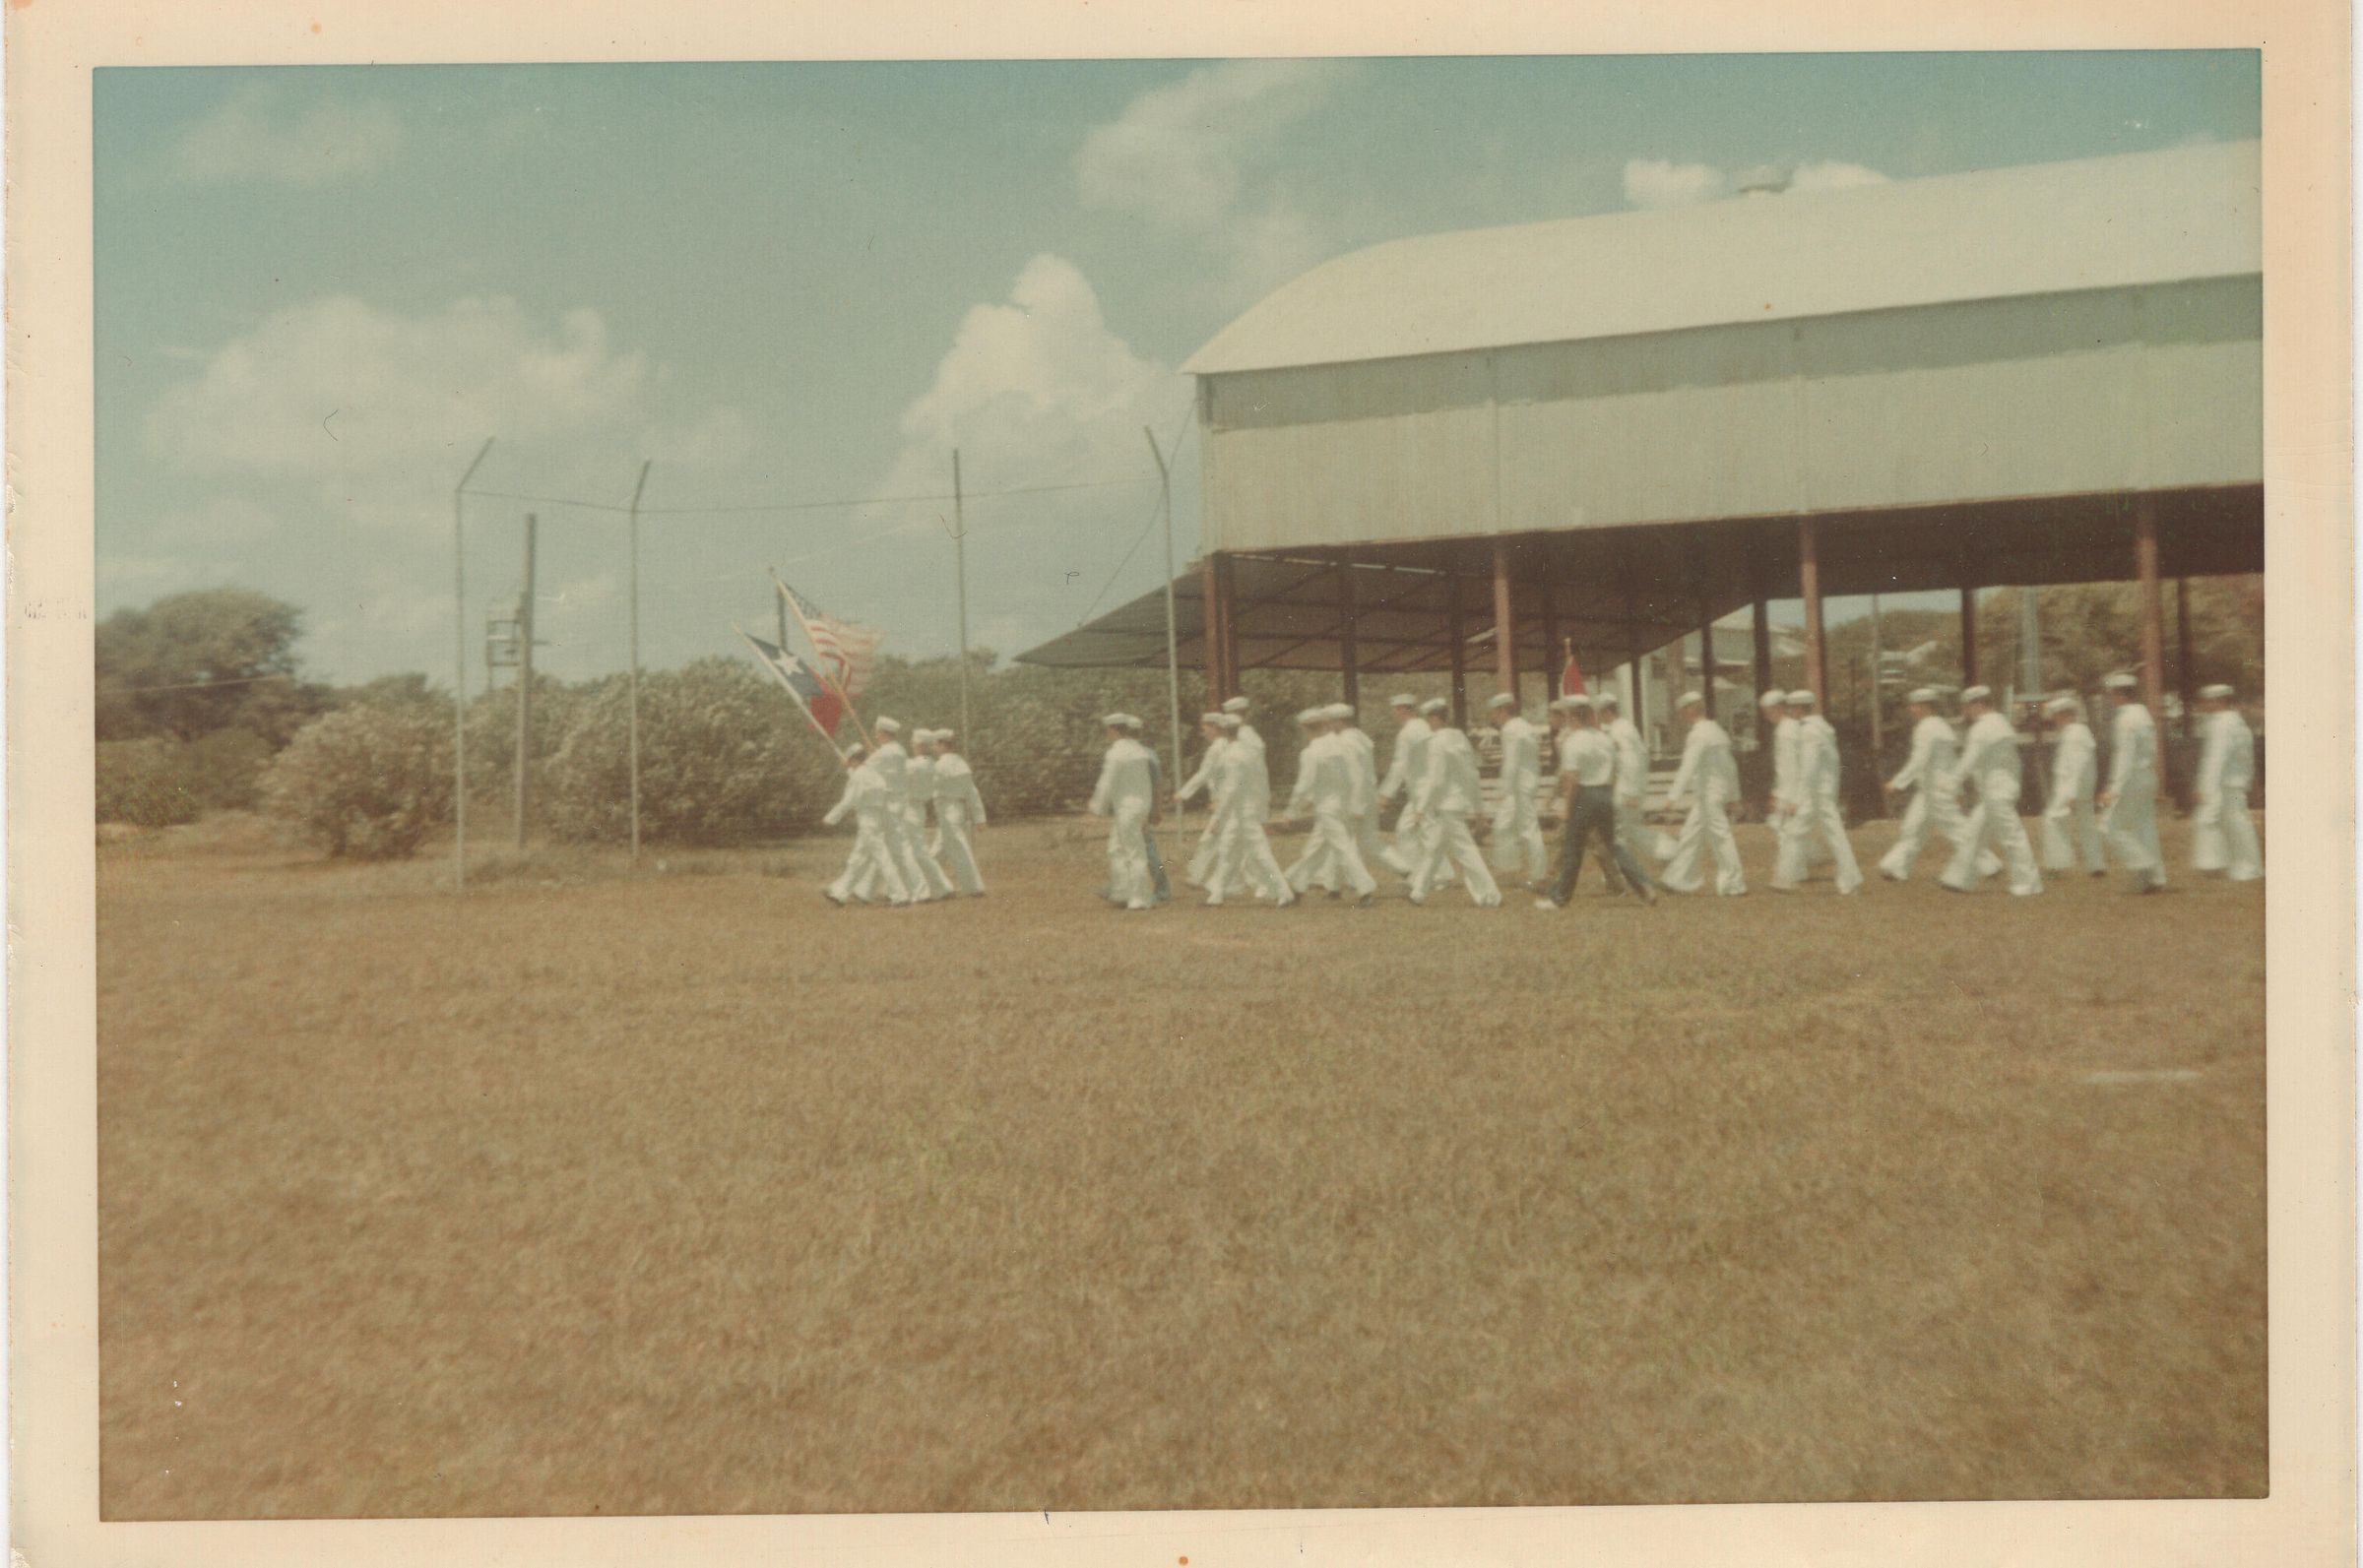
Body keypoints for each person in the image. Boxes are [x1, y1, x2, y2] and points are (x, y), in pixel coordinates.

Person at [1537, 694, 1658, 908]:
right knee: (1615, 845)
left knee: (1573, 849)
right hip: (1605, 793)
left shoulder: (1573, 742)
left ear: (1573, 717)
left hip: (1584, 795)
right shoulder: (1604, 739)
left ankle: (1559, 898)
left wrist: (1567, 808)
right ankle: (1644, 886)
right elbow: (1615, 770)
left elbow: (1571, 779)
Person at [1877, 688, 1996, 884]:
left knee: (1955, 828)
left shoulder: (1926, 728)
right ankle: (1895, 867)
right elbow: (1951, 761)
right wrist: (1957, 789)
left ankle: (1989, 864)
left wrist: (1897, 782)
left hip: (1936, 789)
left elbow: (1919, 760)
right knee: (1913, 828)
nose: (1911, 709)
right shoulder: (1941, 726)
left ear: (1925, 706)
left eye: (1915, 706)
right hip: (1931, 789)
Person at [1939, 685, 2043, 896]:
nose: (1966, 711)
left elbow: (1969, 759)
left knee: (2011, 836)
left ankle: (2028, 883)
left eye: (1967, 706)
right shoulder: (2000, 723)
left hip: (1996, 789)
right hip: (1999, 787)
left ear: (1978, 704)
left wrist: (1951, 784)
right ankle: (1959, 878)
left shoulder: (1983, 727)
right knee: (1973, 833)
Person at [1407, 697, 1501, 906]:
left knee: (1466, 851)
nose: (1427, 724)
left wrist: (1420, 808)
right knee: (1435, 848)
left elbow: (1435, 779)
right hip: (1458, 803)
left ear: (1434, 719)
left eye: (1428, 719)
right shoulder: (1459, 738)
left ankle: (1491, 895)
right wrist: (1478, 808)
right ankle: (1418, 892)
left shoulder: (1436, 743)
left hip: (1446, 805)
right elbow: (1472, 775)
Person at [1771, 689, 1864, 895]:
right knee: (1818, 834)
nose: (1790, 712)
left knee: (1806, 833)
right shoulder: (1822, 727)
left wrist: (1797, 799)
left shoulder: (1809, 731)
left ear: (1798, 708)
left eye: (1792, 708)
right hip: (1823, 791)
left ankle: (1785, 878)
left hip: (1815, 793)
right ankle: (1786, 878)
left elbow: (1809, 768)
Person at [1284, 707, 1378, 905]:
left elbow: (1303, 785)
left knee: (1343, 847)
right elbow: (1357, 775)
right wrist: (1357, 803)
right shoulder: (1342, 745)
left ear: (1305, 729)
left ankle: (1365, 889)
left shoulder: (1311, 752)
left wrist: (1292, 811)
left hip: (1327, 807)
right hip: (1344, 804)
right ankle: (1298, 887)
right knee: (1317, 848)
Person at [1657, 691, 1747, 896]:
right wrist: (1734, 796)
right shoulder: (1717, 731)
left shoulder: (1698, 734)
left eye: (1682, 711)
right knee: (1691, 835)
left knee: (1721, 837)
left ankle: (1735, 883)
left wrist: (1673, 796)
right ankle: (1678, 879)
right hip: (1714, 792)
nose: (1681, 715)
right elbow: (1730, 768)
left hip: (1709, 793)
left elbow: (1688, 766)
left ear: (1690, 710)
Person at [1204, 713, 1295, 907]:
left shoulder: (1233, 755)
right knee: (1228, 850)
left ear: (1223, 731)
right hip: (1245, 810)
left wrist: (1218, 817)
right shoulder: (1248, 752)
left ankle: (1284, 891)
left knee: (1260, 853)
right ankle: (1216, 894)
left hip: (1243, 812)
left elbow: (1231, 789)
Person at [2097, 671, 2168, 894]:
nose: (2111, 698)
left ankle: (2143, 865)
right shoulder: (2143, 715)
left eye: (2112, 694)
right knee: (2145, 828)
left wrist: (2113, 789)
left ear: (2118, 694)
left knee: (2109, 826)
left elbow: (2125, 757)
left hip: (2131, 780)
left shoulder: (2125, 719)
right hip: (2147, 776)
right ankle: (2156, 877)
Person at [862, 717, 941, 903]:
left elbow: (870, 771)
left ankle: (916, 890)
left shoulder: (913, 762)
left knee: (899, 849)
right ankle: (872, 890)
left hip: (901, 806)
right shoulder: (904, 753)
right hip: (905, 805)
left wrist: (870, 757)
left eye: (877, 732)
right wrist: (876, 753)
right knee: (893, 848)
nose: (875, 735)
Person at [821, 744, 912, 908]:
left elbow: (849, 800)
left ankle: (900, 895)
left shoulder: (859, 776)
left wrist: (830, 818)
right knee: (858, 859)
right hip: (878, 819)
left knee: (882, 858)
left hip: (867, 821)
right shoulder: (874, 774)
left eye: (850, 760)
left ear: (854, 760)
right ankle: (840, 893)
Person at [2190, 683, 2263, 882]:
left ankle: (2246, 868)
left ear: (2220, 702)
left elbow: (2216, 758)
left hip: (2225, 782)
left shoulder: (2222, 724)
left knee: (2235, 825)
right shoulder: (2235, 722)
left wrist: (2204, 787)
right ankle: (2229, 865)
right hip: (2233, 781)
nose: (2205, 705)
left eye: (2209, 701)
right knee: (2230, 825)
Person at [1087, 713, 1159, 910]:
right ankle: (1122, 891)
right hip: (1138, 807)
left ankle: (1140, 897)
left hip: (1127, 808)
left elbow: (1106, 782)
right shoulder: (1139, 751)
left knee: (1134, 852)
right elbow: (1146, 784)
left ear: (1113, 730)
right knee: (1116, 848)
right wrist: (1146, 811)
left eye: (1108, 731)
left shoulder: (1116, 753)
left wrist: (1095, 808)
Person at [2038, 695, 2107, 876]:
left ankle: (2057, 865)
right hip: (2079, 788)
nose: (2054, 720)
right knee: (2086, 824)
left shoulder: (2074, 735)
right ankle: (2096, 866)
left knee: (2053, 820)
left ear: (2066, 715)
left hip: (2070, 788)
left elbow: (2078, 765)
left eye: (2057, 716)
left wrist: (2073, 793)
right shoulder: (2077, 732)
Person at [1487, 693, 1549, 888]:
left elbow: (1511, 762)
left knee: (1529, 830)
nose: (1493, 716)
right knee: (1502, 826)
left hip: (1518, 786)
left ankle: (1539, 876)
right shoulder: (1524, 726)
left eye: (1495, 712)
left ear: (1503, 710)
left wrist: (1502, 790)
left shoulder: (1511, 729)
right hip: (1524, 784)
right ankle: (1508, 871)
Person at [1329, 702, 1393, 882]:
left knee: (1343, 841)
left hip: (1355, 799)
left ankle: (1338, 882)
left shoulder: (1346, 741)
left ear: (1339, 721)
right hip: (1369, 795)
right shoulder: (1361, 737)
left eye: (1332, 721)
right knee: (1368, 842)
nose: (1331, 725)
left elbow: (1355, 774)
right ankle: (1404, 869)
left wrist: (1356, 805)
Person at [1375, 693, 1437, 880]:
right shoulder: (1425, 727)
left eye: (1395, 709)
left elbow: (1399, 766)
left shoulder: (1407, 733)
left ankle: (1426, 875)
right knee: (1417, 831)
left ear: (1402, 709)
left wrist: (1385, 794)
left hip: (1420, 790)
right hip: (1427, 788)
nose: (1394, 713)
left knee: (1418, 832)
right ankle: (1426, 873)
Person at [1598, 690, 1653, 875]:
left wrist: (1631, 792)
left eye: (1600, 713)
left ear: (1607, 712)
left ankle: (1624, 872)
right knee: (1627, 831)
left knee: (1622, 831)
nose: (1599, 717)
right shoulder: (1626, 727)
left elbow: (1631, 762)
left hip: (1627, 789)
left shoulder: (1619, 731)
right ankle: (1627, 870)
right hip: (1631, 786)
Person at [928, 728, 988, 898]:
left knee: (959, 847)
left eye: (935, 744)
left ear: (942, 745)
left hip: (947, 810)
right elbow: (972, 792)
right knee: (938, 851)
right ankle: (927, 884)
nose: (933, 748)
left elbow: (929, 787)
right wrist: (979, 817)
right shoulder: (961, 763)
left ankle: (974, 887)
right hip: (956, 809)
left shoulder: (940, 765)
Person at [901, 730, 957, 901]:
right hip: (917, 809)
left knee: (911, 851)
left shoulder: (916, 765)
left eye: (914, 743)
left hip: (910, 809)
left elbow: (896, 771)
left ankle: (924, 890)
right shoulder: (931, 763)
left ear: (920, 745)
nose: (911, 745)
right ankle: (941, 887)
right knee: (918, 851)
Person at [1177, 714, 1233, 889]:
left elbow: (1204, 774)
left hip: (1224, 800)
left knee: (1212, 839)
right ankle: (1198, 876)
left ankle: (1198, 877)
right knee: (1218, 839)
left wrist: (1183, 793)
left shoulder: (1216, 749)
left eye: (1205, 728)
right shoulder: (1230, 745)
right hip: (1229, 799)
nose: (1203, 733)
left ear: (1215, 727)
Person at [1761, 688, 1800, 832]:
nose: (1766, 717)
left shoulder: (1785, 731)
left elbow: (1789, 767)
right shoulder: (1790, 726)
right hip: (1790, 790)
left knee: (1787, 833)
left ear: (1777, 708)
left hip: (1790, 792)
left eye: (1767, 712)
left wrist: (1783, 796)